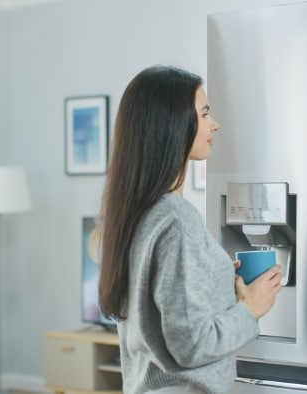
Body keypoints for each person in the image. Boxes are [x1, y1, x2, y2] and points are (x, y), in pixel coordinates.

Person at [98, 66, 282, 393]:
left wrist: (217, 278)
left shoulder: (137, 212)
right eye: (205, 113)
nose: (215, 124)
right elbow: (192, 347)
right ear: (174, 124)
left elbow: (166, 315)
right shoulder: (177, 219)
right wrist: (250, 309)